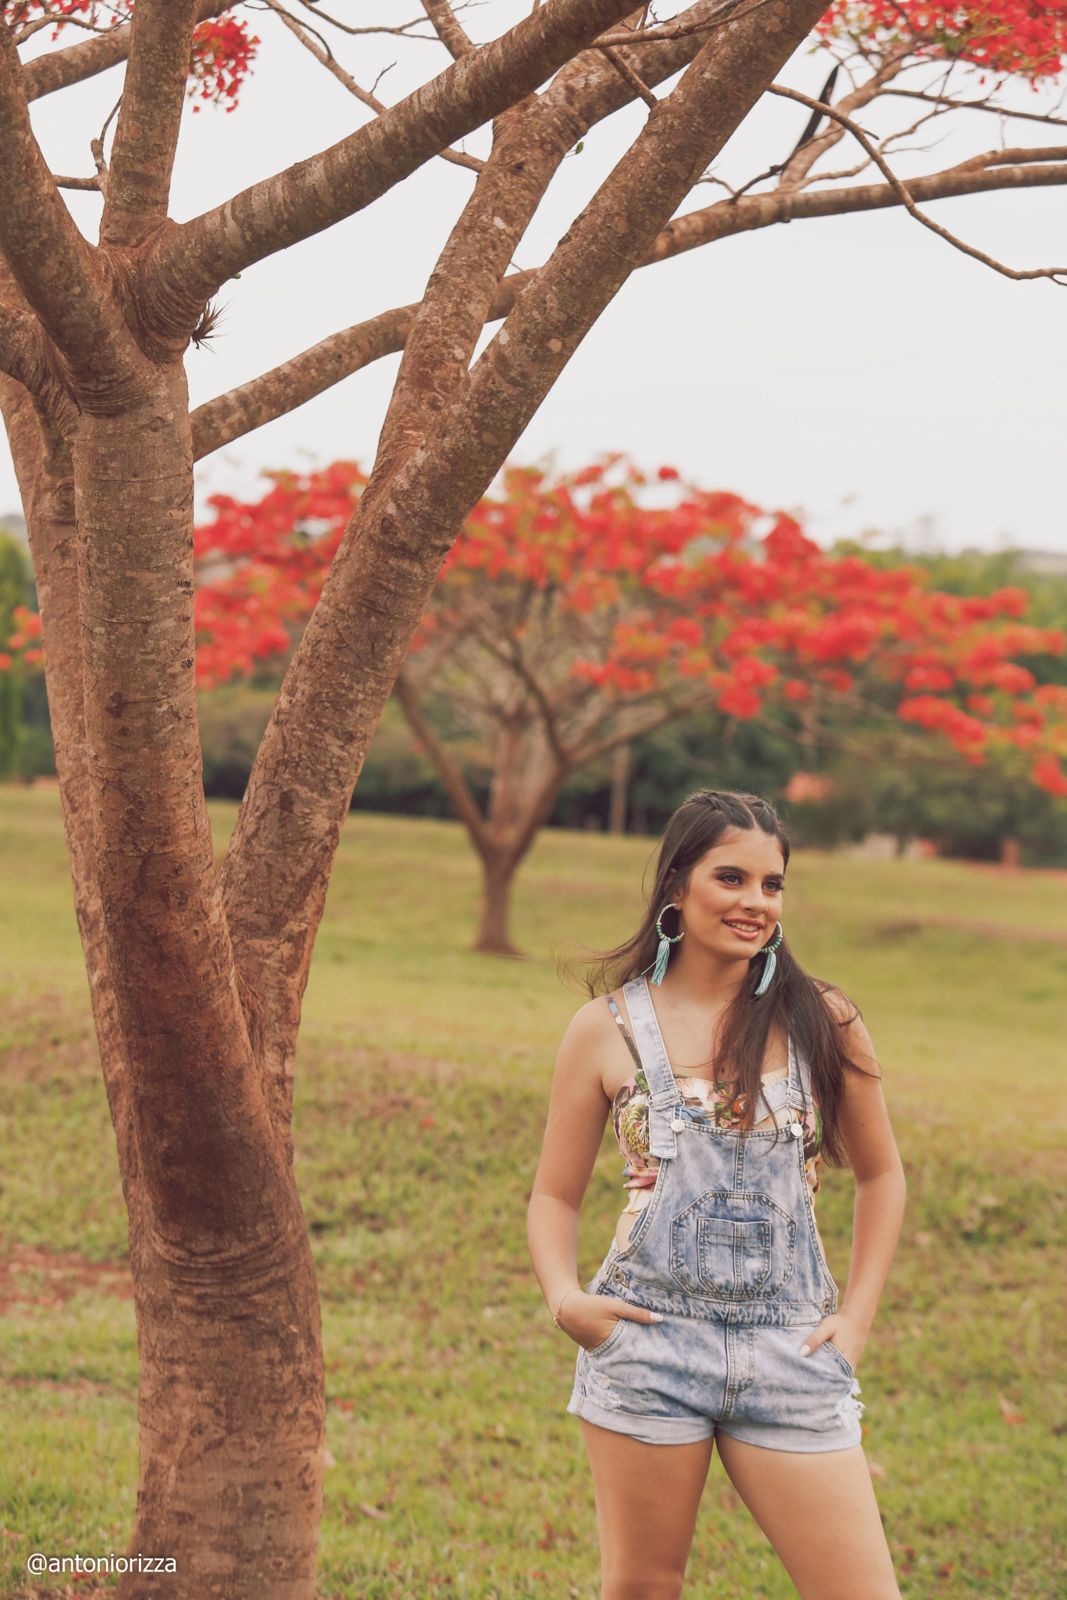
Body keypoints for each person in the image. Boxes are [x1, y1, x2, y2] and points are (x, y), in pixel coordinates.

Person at [527, 788, 907, 1600]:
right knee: (642, 1589)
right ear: (676, 885)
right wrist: (566, 1300)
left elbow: (882, 1176)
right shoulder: (606, 1028)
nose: (754, 903)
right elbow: (553, 1196)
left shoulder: (824, 1019)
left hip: (791, 1354)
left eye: (771, 885)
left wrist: (858, 1320)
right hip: (648, 1348)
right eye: (730, 878)